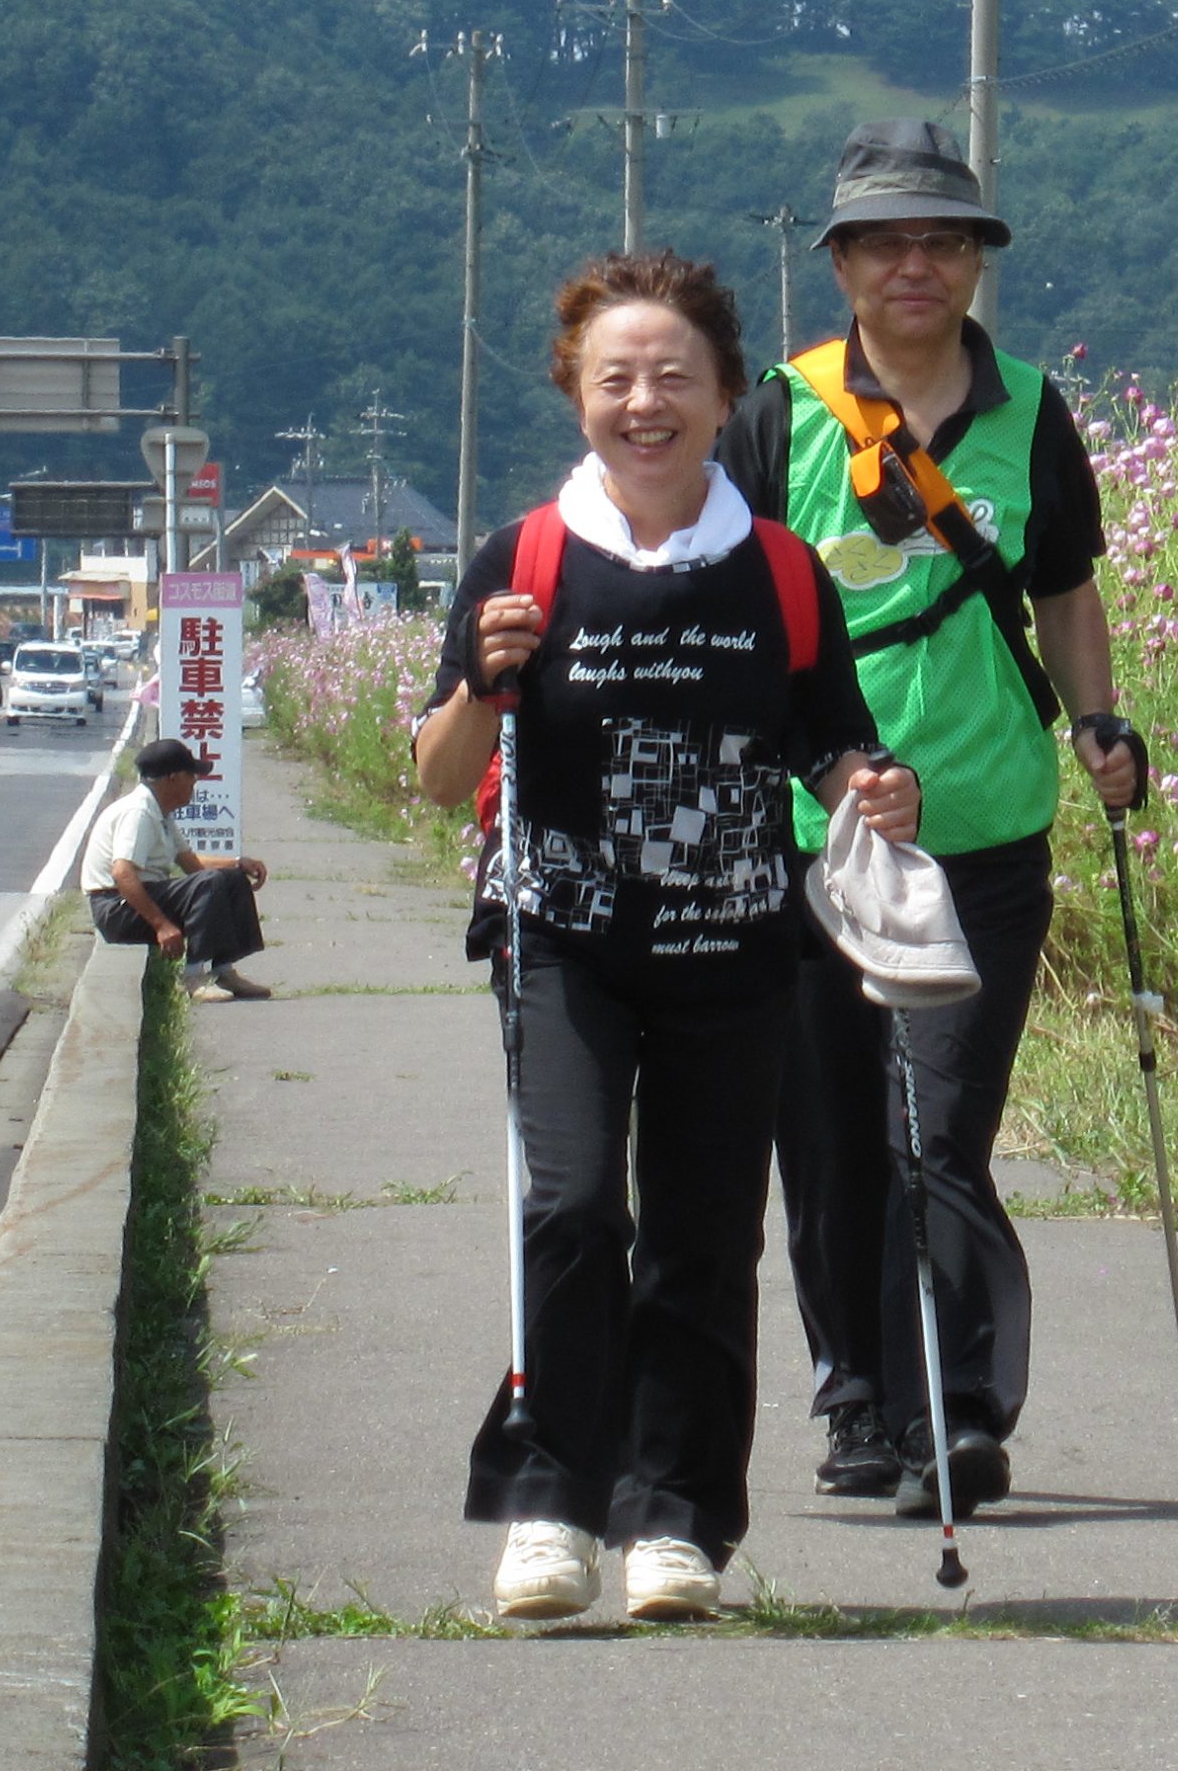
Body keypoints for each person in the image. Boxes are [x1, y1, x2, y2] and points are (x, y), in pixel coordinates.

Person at [414, 249, 920, 1623]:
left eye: (674, 377)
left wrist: (871, 788)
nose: (646, 403)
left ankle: (675, 1523)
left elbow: (829, 745)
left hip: (735, 951)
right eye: (615, 378)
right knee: (573, 1216)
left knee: (702, 1241)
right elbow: (435, 766)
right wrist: (483, 676)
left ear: (723, 394)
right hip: (561, 943)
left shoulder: (778, 570)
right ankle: (546, 1509)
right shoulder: (519, 561)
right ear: (575, 392)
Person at [716, 118, 1136, 1518]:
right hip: (811, 834)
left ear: (976, 261)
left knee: (940, 1132)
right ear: (838, 262)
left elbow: (1064, 584)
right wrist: (811, 763)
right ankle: (858, 1401)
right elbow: (736, 614)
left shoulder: (1031, 409)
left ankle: (956, 1412)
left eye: (944, 239)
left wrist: (1097, 723)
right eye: (887, 241)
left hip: (989, 825)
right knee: (830, 1134)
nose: (917, 263)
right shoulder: (779, 415)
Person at [81, 737, 270, 999]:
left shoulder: (160, 812)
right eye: (191, 776)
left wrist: (238, 863)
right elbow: (122, 874)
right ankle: (193, 977)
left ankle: (224, 971)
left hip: (139, 898)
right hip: (117, 907)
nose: (195, 783)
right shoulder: (139, 813)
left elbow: (191, 864)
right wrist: (162, 926)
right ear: (172, 778)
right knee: (209, 883)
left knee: (231, 879)